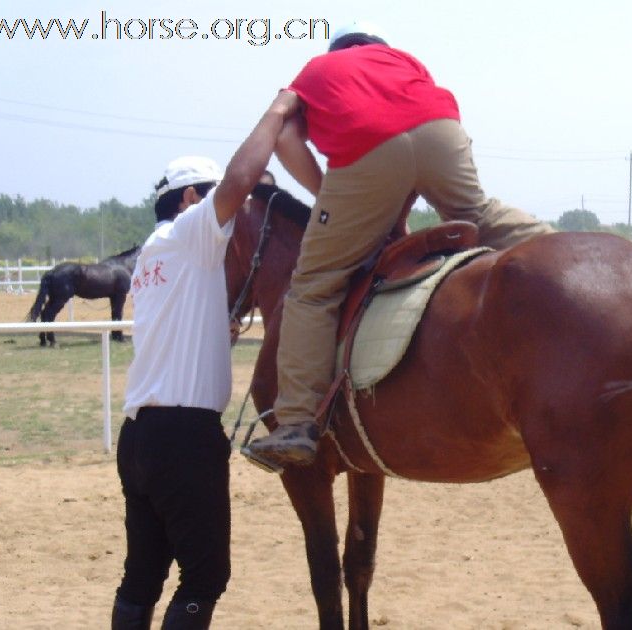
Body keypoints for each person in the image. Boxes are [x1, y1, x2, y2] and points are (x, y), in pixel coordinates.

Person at [241, 22, 555, 471]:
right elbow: (413, 141)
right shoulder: (405, 61)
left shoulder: (319, 69)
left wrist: (329, 191)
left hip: (369, 145)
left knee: (313, 285)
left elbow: (287, 138)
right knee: (479, 215)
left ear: (340, 50)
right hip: (440, 129)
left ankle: (295, 422)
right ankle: (570, 250)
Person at [112, 105, 293, 628]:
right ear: (191, 199)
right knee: (205, 575)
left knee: (142, 575)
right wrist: (278, 112)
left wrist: (221, 331)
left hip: (140, 436)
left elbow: (181, 327)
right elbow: (240, 179)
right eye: (215, 199)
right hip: (183, 439)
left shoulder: (154, 255)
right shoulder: (191, 232)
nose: (230, 212)